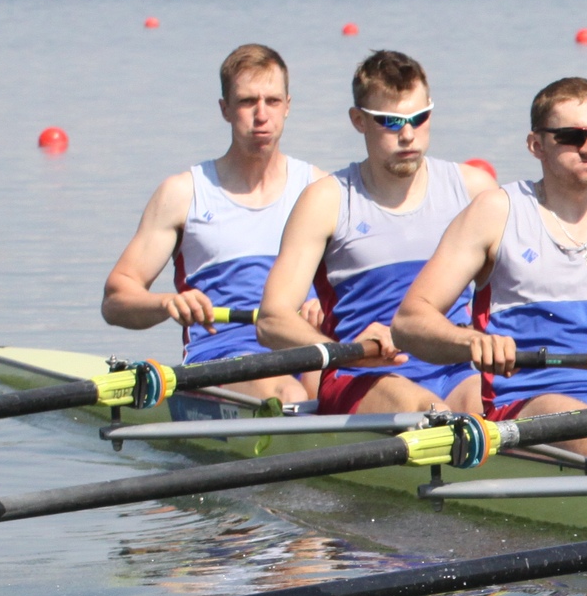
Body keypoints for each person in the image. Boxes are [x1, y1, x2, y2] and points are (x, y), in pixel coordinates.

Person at [395, 76, 587, 457]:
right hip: (525, 401)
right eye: (571, 136)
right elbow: (409, 322)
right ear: (536, 145)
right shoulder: (496, 212)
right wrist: (474, 342)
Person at [258, 48, 497, 415]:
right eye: (389, 121)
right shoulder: (326, 201)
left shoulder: (473, 191)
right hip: (361, 373)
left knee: (490, 406)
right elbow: (273, 319)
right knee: (427, 410)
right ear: (358, 120)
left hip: (455, 369)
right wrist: (342, 350)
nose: (407, 135)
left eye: (419, 118)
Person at [100, 43, 320, 405]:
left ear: (288, 105)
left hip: (308, 350)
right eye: (248, 102)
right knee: (291, 392)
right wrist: (167, 304)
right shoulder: (183, 194)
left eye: (273, 101)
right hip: (221, 361)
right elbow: (115, 300)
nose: (261, 115)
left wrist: (329, 307)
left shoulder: (318, 190)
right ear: (225, 109)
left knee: (324, 384)